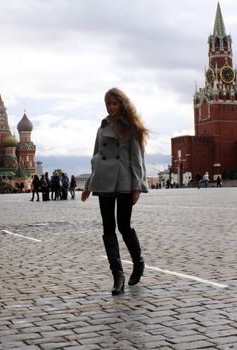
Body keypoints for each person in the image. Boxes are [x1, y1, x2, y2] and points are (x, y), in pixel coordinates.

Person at [81, 87, 149, 296]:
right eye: (108, 104)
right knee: (108, 228)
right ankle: (117, 275)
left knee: (124, 226)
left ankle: (138, 262)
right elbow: (96, 157)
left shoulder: (129, 127)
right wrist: (89, 186)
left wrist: (138, 186)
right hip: (104, 182)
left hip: (124, 181)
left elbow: (137, 158)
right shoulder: (102, 127)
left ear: (122, 104)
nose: (110, 107)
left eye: (114, 103)